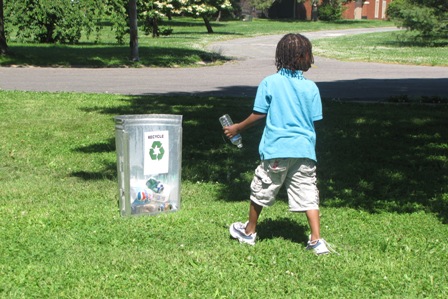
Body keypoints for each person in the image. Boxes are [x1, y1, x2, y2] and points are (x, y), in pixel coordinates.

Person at [225, 33, 333, 255]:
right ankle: (316, 240)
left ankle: (249, 231)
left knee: (262, 189)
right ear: (303, 57)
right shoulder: (311, 88)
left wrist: (237, 128)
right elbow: (314, 119)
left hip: (277, 149)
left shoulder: (270, 83)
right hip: (304, 151)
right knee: (308, 191)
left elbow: (258, 114)